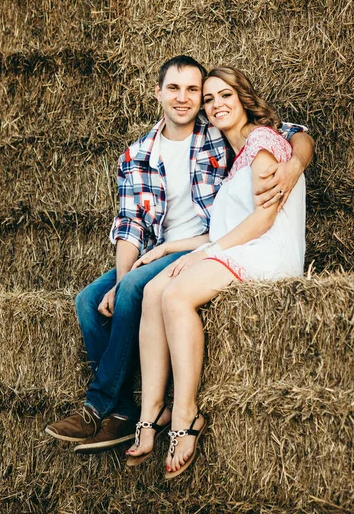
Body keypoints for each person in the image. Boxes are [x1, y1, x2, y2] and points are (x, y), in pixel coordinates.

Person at [45, 57, 314, 454]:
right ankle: (122, 412)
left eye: (195, 90)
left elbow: (292, 133)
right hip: (165, 248)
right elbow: (129, 225)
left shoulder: (218, 129)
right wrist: (119, 283)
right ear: (158, 93)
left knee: (141, 287)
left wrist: (295, 165)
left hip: (206, 243)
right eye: (175, 89)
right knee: (88, 301)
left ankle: (96, 406)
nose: (187, 99)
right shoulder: (137, 155)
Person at [125, 66, 307, 480]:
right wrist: (171, 247)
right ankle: (150, 413)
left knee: (175, 296)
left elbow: (262, 221)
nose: (215, 104)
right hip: (243, 245)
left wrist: (209, 252)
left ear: (244, 98)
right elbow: (227, 226)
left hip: (268, 252)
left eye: (225, 95)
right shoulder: (237, 155)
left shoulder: (263, 142)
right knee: (154, 291)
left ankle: (186, 416)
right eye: (209, 99)